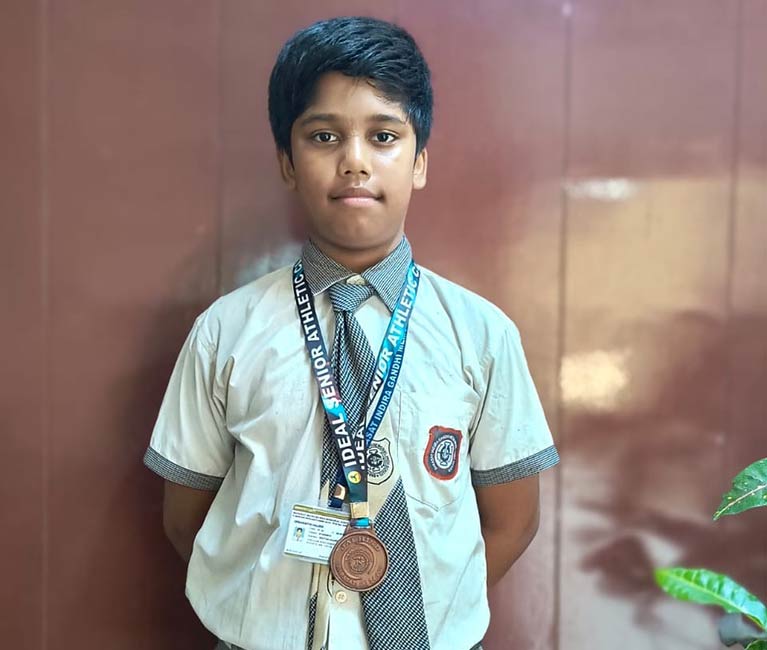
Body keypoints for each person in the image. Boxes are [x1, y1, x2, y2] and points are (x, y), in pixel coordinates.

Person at [144, 16, 559, 650]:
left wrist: (435, 617)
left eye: (384, 136)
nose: (355, 161)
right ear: (287, 162)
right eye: (324, 136)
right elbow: (187, 521)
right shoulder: (225, 332)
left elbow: (513, 521)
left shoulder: (482, 335)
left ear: (419, 162)